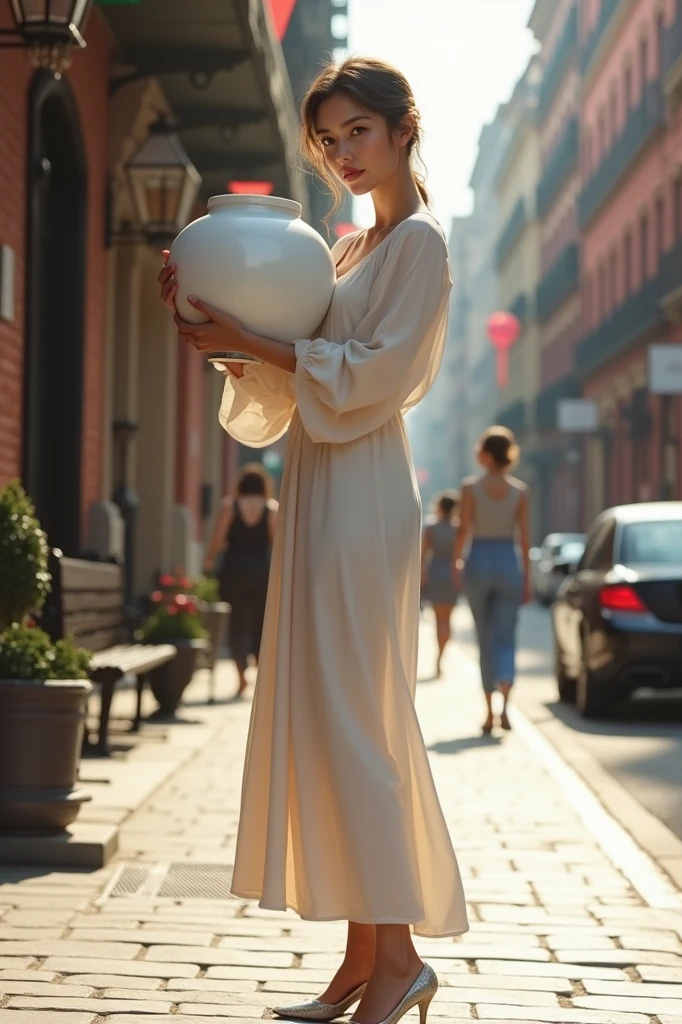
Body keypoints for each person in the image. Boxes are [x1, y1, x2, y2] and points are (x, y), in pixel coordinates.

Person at [158, 56, 467, 1024]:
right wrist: (202, 316)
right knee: (331, 726)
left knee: (356, 724)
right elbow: (280, 378)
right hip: (320, 485)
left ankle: (400, 961)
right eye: (328, 142)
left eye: (357, 134)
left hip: (367, 488)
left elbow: (380, 372)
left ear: (402, 127)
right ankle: (360, 963)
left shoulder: (419, 244)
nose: (342, 155)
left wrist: (270, 344)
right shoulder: (340, 251)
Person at [453, 426, 531, 735]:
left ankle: (488, 713)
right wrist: (528, 577)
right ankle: (506, 708)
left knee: (484, 638)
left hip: (479, 559)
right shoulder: (520, 491)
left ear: (486, 453)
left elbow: (463, 530)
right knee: (506, 637)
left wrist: (456, 563)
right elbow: (524, 537)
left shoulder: (470, 487)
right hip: (508, 561)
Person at [204, 465, 278, 698]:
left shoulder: (230, 506)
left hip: (234, 570)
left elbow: (218, 537)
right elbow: (276, 543)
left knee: (237, 624)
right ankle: (261, 677)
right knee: (260, 624)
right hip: (261, 573)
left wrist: (209, 559)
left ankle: (241, 678)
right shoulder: (271, 508)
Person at [421, 491, 459, 677]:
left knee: (438, 620)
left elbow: (423, 555)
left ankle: (439, 658)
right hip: (452, 573)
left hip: (436, 572)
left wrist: (422, 578)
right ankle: (441, 656)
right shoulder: (458, 529)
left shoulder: (431, 528)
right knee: (448, 619)